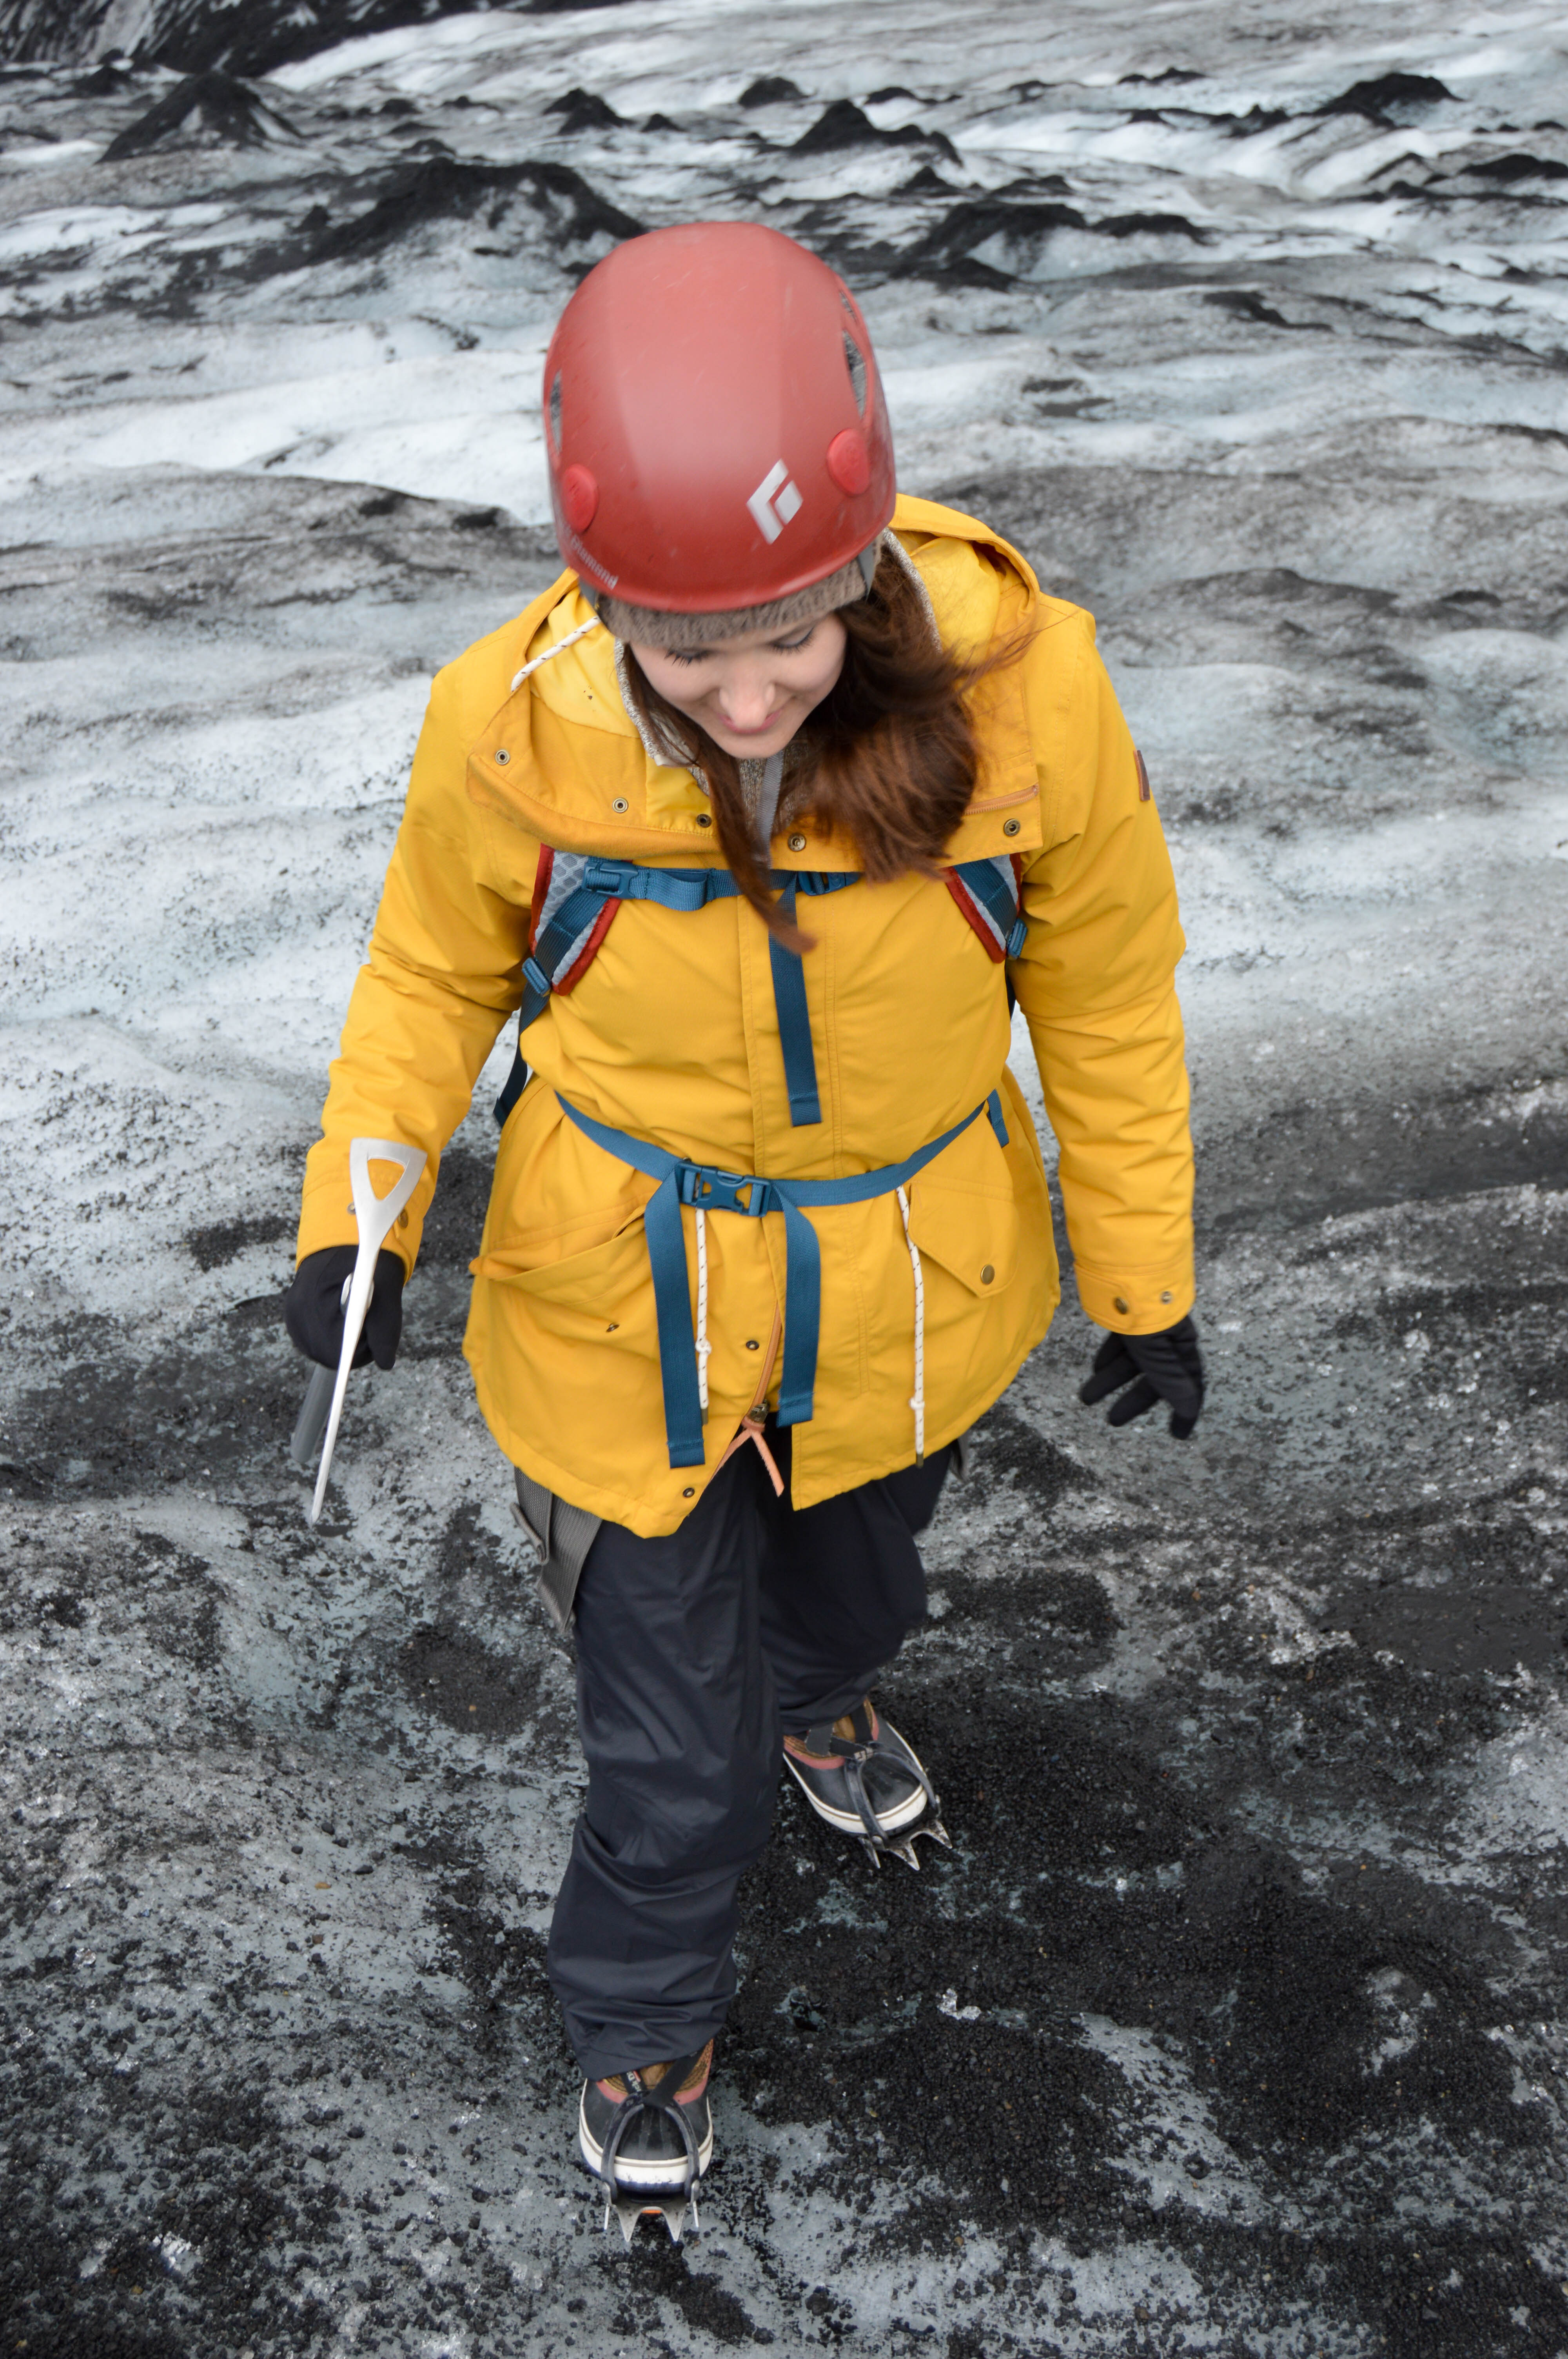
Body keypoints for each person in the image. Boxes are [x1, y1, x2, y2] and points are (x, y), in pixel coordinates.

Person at [284, 220, 1203, 2238]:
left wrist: (1142, 1276)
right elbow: (428, 981)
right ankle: (640, 2012)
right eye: (686, 650)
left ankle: (825, 1686)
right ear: (602, 598)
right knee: (667, 1751)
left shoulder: (1028, 695)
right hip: (625, 1306)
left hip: (909, 1287)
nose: (744, 691)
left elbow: (1110, 989)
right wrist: (361, 1215)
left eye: (788, 635)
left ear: (864, 564)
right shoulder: (512, 726)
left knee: (859, 1590)